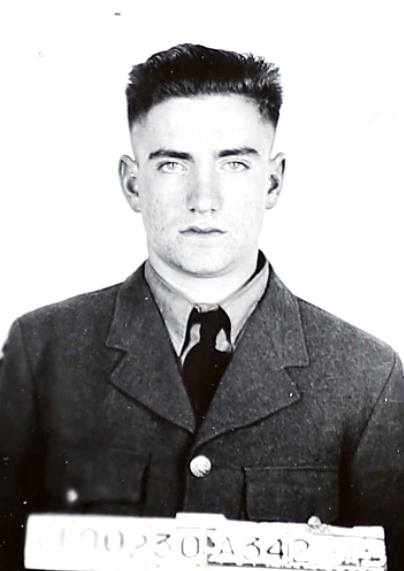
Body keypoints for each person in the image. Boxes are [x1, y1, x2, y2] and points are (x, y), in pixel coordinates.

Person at [0, 43, 403, 571]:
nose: (204, 199)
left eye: (234, 163)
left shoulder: (366, 377)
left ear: (273, 181)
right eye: (173, 163)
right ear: (132, 183)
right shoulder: (42, 352)